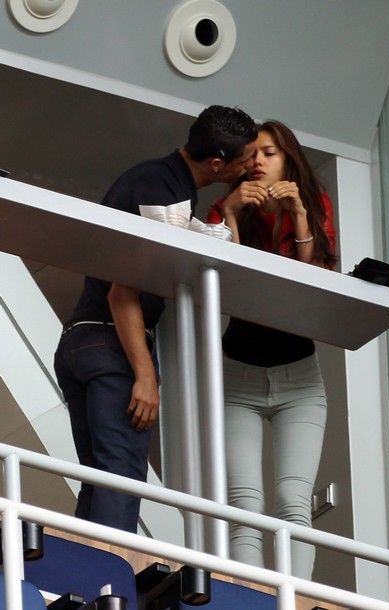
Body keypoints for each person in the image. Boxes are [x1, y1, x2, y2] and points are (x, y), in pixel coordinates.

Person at [54, 105, 258, 533]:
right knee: (122, 476)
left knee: (100, 477)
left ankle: (89, 581)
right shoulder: (163, 189)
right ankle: (112, 589)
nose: (253, 164)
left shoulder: (162, 182)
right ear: (218, 163)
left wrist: (230, 212)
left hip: (84, 341)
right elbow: (122, 289)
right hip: (112, 344)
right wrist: (145, 374)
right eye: (247, 157)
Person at [207, 120, 336, 579]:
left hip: (300, 378)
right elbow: (226, 284)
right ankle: (252, 600)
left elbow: (314, 287)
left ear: (289, 161)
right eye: (252, 154)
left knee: (293, 501)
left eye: (270, 153)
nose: (259, 161)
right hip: (236, 376)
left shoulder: (314, 205)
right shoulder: (225, 209)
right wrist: (230, 214)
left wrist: (299, 216)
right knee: (245, 502)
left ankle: (294, 600)